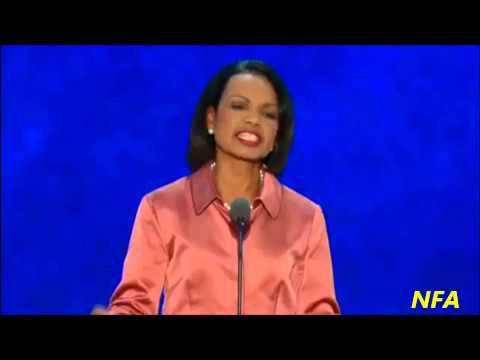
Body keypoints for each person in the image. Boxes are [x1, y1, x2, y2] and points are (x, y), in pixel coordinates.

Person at [92, 59, 340, 315]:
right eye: (239, 106)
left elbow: (320, 309)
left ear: (276, 138)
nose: (253, 119)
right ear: (211, 119)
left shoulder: (306, 219)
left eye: (268, 114)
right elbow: (136, 304)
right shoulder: (162, 208)